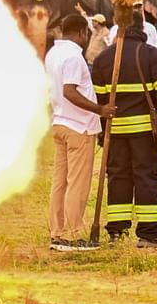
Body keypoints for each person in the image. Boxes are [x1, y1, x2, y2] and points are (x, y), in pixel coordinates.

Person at [91, 0, 157, 248]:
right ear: (142, 28)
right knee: (146, 178)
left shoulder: (104, 59)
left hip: (114, 132)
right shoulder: (151, 55)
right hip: (145, 134)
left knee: (117, 177)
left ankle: (116, 231)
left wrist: (103, 128)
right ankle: (150, 234)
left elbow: (99, 100)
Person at [47, 14, 115, 252]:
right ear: (81, 33)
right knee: (77, 183)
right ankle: (73, 234)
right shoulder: (74, 56)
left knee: (60, 183)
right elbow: (70, 92)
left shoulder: (53, 53)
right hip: (78, 126)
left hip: (60, 123)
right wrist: (100, 110)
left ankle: (57, 232)